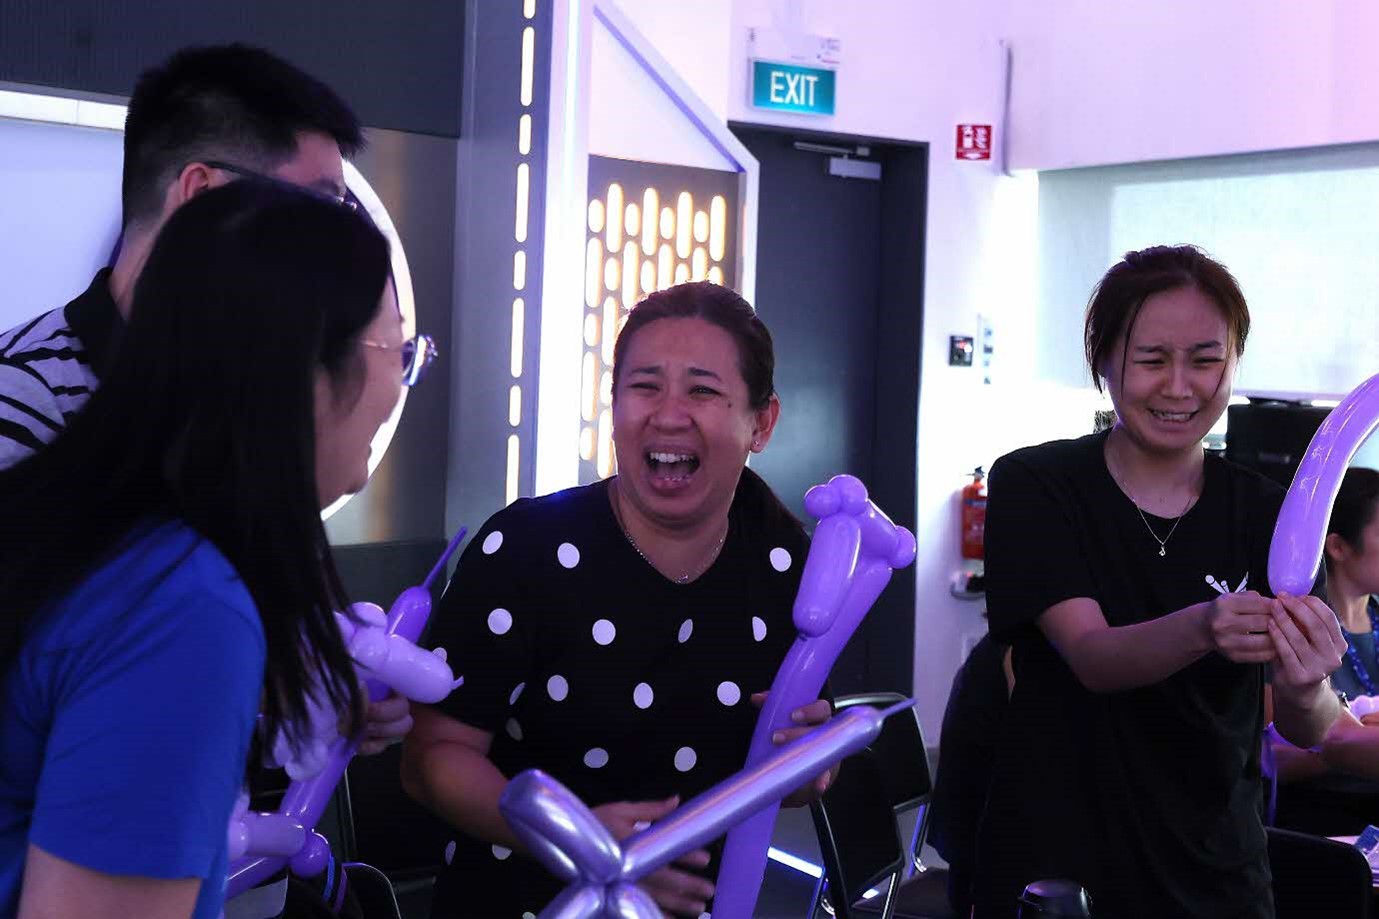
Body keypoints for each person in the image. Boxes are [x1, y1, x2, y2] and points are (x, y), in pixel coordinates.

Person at [0, 181, 431, 918]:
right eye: (399, 350)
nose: (401, 382)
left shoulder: (88, 520)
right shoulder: (183, 603)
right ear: (309, 374)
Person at [402, 281, 835, 918]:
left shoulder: (789, 572)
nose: (667, 413)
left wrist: (806, 767)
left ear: (761, 422)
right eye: (644, 385)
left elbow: (785, 783)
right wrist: (578, 846)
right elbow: (432, 758)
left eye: (702, 389)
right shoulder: (526, 550)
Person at [972, 245, 1346, 918]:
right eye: (1150, 360)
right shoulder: (1037, 483)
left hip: (1218, 877)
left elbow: (1307, 724)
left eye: (1205, 360)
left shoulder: (1269, 512)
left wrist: (1305, 680)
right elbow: (1091, 656)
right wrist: (1205, 624)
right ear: (1105, 361)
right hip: (1060, 873)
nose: (1179, 386)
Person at [0, 43, 362, 469]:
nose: (331, 243)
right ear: (203, 195)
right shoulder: (22, 401)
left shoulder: (259, 394)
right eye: (317, 208)